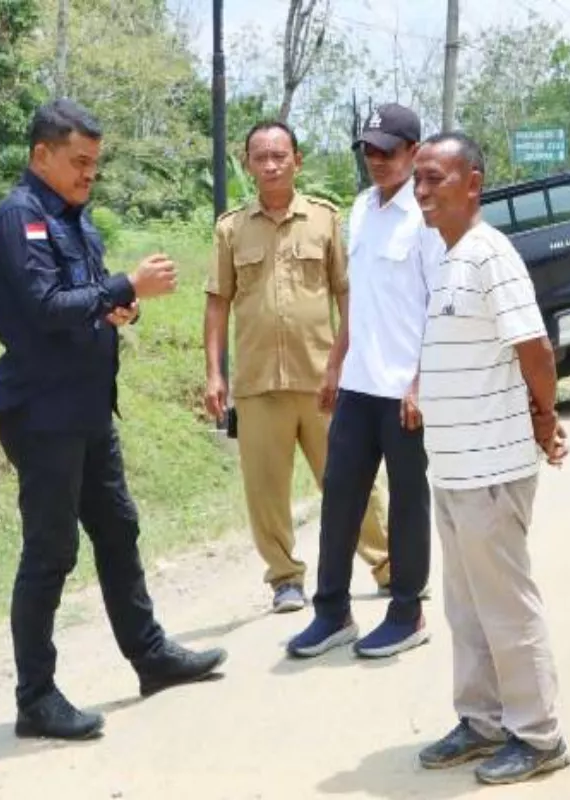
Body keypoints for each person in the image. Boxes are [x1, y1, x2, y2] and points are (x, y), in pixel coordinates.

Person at [0, 99, 227, 741]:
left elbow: (88, 304)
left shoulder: (78, 223)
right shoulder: (20, 219)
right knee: (51, 551)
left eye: (96, 163)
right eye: (79, 162)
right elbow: (42, 306)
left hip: (90, 410)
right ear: (42, 155)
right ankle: (35, 698)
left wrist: (123, 309)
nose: (90, 174)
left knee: (119, 530)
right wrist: (123, 288)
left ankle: (149, 656)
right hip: (42, 414)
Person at [410, 131, 570, 785]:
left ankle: (538, 736)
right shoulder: (447, 258)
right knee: (467, 607)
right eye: (417, 179)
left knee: (506, 605)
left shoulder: (489, 254)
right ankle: (482, 721)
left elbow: (534, 349)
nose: (421, 191)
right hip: (451, 471)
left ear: (472, 184)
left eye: (434, 179)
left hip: (491, 471)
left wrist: (545, 418)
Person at [204, 121, 392, 613]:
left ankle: (388, 564)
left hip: (325, 379)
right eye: (260, 157)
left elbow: (346, 293)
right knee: (265, 491)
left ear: (296, 160)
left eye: (279, 155)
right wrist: (214, 374)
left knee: (352, 478)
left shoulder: (325, 220)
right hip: (257, 383)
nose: (270, 165)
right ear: (247, 164)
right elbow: (217, 303)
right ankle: (285, 578)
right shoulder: (230, 229)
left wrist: (345, 362)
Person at [287, 104, 443, 660]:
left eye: (389, 151)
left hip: (405, 390)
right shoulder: (359, 209)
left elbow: (438, 307)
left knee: (406, 501)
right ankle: (332, 611)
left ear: (414, 153)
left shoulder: (426, 217)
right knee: (341, 496)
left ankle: (407, 611)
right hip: (358, 383)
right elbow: (358, 298)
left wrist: (422, 382)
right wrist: (335, 365)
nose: (377, 160)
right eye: (369, 150)